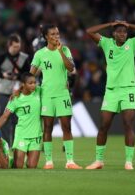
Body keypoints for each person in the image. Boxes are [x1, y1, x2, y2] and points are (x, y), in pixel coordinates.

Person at [85, 21, 135, 170]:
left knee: (128, 124)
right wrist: (110, 24)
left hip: (128, 89)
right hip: (111, 91)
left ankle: (128, 161)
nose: (123, 34)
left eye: (124, 32)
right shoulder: (106, 43)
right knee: (103, 126)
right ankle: (99, 161)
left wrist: (130, 25)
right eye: (119, 31)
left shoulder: (133, 43)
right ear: (114, 34)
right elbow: (89, 30)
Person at [30, 24, 82, 170]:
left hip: (62, 94)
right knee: (47, 128)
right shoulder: (40, 54)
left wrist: (60, 52)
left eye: (57, 34)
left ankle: (70, 161)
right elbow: (31, 75)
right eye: (52, 34)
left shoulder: (65, 50)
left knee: (67, 127)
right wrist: (27, 89)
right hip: (47, 95)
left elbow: (71, 68)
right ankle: (48, 162)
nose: (56, 37)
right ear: (46, 37)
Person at [0, 33, 31, 147]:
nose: (17, 49)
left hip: (18, 92)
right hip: (3, 91)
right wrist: (3, 74)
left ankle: (17, 144)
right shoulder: (2, 57)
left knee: (17, 119)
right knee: (4, 118)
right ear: (9, 45)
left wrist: (18, 76)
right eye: (15, 47)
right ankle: (8, 144)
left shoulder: (24, 57)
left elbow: (28, 74)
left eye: (18, 46)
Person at [0, 72, 42, 168]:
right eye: (30, 83)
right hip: (22, 135)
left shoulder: (39, 91)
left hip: (36, 136)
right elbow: (4, 116)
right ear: (23, 84)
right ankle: (10, 160)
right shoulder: (15, 99)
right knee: (18, 166)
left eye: (34, 82)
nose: (34, 85)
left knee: (31, 166)